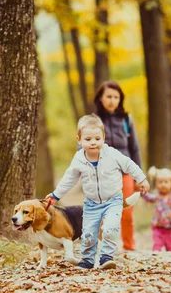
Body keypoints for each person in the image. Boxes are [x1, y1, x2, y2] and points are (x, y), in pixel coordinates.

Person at [45, 114, 150, 270]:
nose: (93, 142)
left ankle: (106, 257)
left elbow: (129, 165)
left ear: (103, 138)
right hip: (92, 203)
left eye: (97, 138)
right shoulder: (79, 159)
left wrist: (141, 179)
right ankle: (87, 259)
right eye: (87, 139)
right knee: (87, 233)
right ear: (79, 140)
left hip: (113, 200)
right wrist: (55, 195)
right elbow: (69, 179)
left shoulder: (112, 154)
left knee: (110, 228)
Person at [93, 81, 143, 252]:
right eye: (109, 96)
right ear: (100, 98)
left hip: (125, 172)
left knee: (126, 211)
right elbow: (83, 147)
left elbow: (134, 148)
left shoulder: (126, 120)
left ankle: (129, 247)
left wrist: (139, 176)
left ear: (120, 99)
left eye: (116, 97)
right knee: (102, 212)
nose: (112, 100)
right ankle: (102, 247)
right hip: (102, 174)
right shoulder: (93, 121)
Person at [141, 167, 171, 252]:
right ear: (156, 184)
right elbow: (149, 198)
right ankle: (155, 260)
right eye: (160, 182)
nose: (163, 184)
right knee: (156, 247)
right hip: (158, 227)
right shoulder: (157, 196)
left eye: (166, 182)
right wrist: (143, 191)